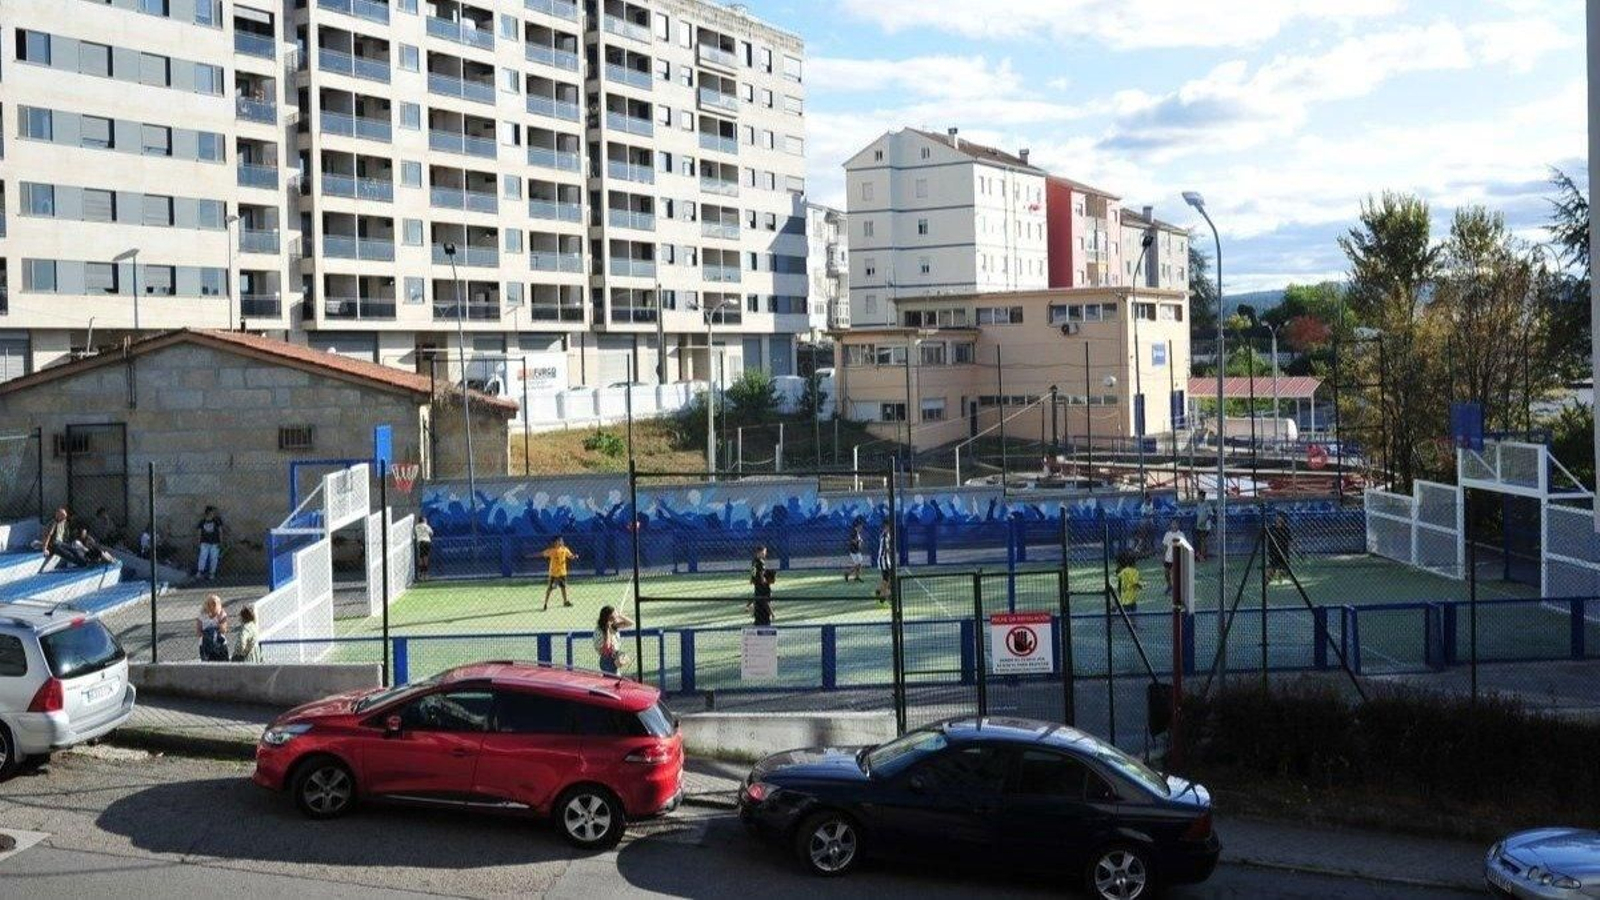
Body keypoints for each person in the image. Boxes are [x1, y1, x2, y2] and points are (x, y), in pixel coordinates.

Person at [593, 605, 633, 675]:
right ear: (608, 618)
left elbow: (631, 623)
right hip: (607, 659)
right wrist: (608, 630)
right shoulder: (600, 630)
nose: (615, 618)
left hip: (614, 655)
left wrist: (620, 616)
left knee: (624, 658)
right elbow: (606, 648)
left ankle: (618, 663)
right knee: (612, 680)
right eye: (613, 616)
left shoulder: (613, 625)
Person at [540, 536, 578, 611]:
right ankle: (545, 603)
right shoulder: (552, 550)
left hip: (562, 572)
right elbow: (544, 554)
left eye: (562, 541)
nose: (562, 542)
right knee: (550, 588)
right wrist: (544, 553)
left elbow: (570, 556)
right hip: (553, 573)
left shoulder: (565, 549)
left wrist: (574, 556)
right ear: (555, 542)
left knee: (563, 587)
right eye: (560, 541)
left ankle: (565, 601)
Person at [194, 506, 226, 580]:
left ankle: (212, 573)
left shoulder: (217, 521)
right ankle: (200, 571)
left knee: (214, 558)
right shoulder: (202, 522)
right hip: (204, 543)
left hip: (215, 543)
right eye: (213, 512)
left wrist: (221, 542)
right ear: (209, 513)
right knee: (203, 557)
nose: (214, 514)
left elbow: (220, 531)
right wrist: (198, 542)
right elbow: (199, 532)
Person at [196, 594, 229, 662]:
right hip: (206, 644)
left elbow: (223, 630)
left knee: (224, 664)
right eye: (210, 604)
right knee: (208, 665)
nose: (213, 606)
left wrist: (219, 620)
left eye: (215, 604)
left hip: (219, 644)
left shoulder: (222, 615)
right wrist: (207, 634)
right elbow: (198, 632)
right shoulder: (202, 616)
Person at [747, 545, 775, 626]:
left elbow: (753, 572)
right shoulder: (761, 562)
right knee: (763, 599)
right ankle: (765, 615)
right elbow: (761, 573)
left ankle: (753, 610)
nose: (765, 554)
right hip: (760, 583)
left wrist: (752, 579)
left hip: (756, 582)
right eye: (763, 552)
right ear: (759, 553)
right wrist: (763, 581)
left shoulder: (754, 561)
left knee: (757, 596)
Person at [1267, 511, 1293, 582]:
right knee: (1270, 572)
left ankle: (1281, 575)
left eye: (1280, 519)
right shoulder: (1271, 529)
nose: (1278, 520)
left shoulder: (1286, 530)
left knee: (1285, 572)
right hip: (1274, 554)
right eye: (1277, 519)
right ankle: (1266, 583)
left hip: (1283, 553)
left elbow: (1289, 541)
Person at [1116, 552, 1143, 621]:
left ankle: (1114, 616)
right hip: (1132, 598)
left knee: (1125, 611)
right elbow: (1135, 582)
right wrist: (1141, 586)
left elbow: (1119, 578)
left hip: (1124, 596)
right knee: (1131, 612)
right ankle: (1133, 625)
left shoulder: (1123, 571)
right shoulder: (1135, 571)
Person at [872, 524, 894, 606]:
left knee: (886, 578)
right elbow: (886, 549)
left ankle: (879, 591)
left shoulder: (886, 535)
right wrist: (891, 551)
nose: (889, 528)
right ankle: (884, 595)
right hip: (884, 561)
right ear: (885, 527)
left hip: (885, 560)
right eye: (888, 527)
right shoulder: (884, 537)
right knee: (888, 578)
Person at [1161, 519, 1186, 588]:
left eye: (1176, 524)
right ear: (1170, 525)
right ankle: (1169, 586)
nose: (1174, 525)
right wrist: (1163, 556)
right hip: (1168, 558)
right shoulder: (1167, 534)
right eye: (1173, 524)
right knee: (1166, 573)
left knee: (1175, 574)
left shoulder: (1181, 534)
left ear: (1178, 525)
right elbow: (1164, 546)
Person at [1194, 492, 1215, 561]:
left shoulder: (1207, 504)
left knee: (1203, 540)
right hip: (1199, 526)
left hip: (1205, 526)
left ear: (1203, 497)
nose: (1199, 498)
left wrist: (1205, 522)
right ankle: (1199, 555)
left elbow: (1211, 515)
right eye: (1198, 496)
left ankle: (1203, 556)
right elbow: (1198, 515)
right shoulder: (1198, 504)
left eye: (1200, 496)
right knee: (1199, 541)